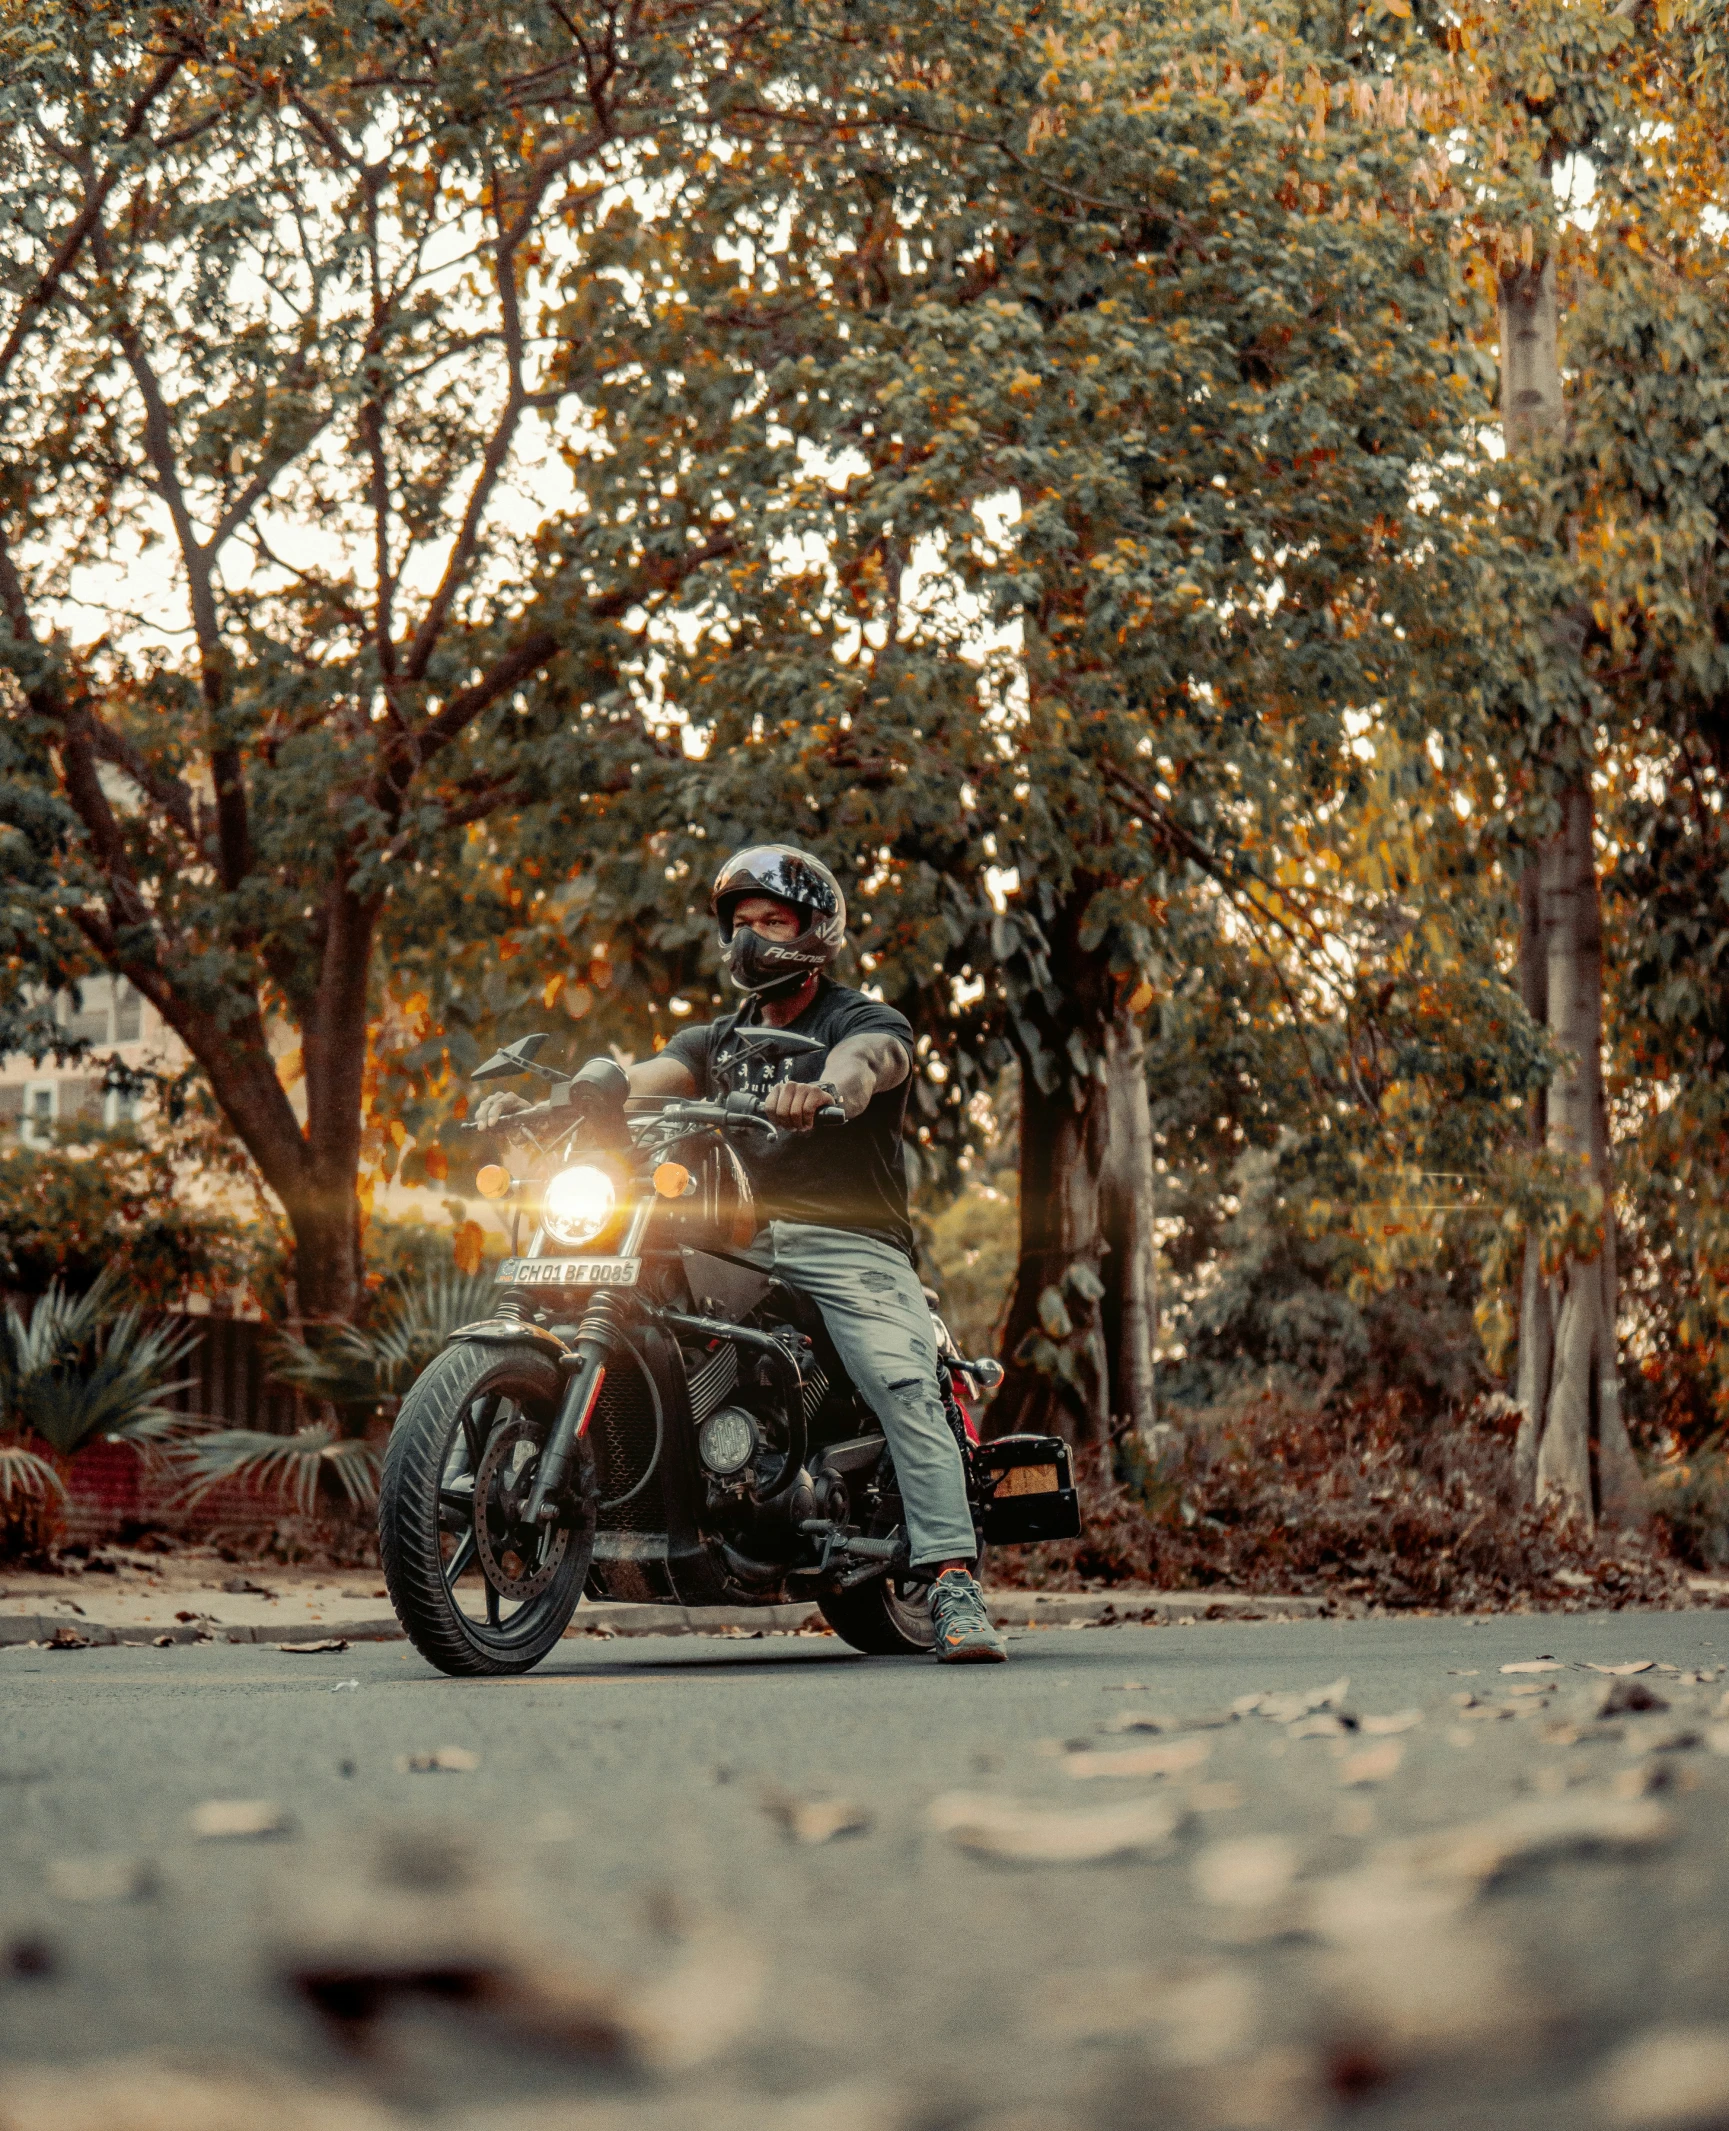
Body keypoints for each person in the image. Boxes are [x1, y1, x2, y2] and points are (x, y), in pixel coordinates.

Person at [477, 843, 1006, 1664]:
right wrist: (554, 1102)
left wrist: (826, 1091)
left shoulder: (861, 1021)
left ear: (813, 930)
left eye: (772, 920)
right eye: (741, 923)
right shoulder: (711, 1041)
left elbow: (868, 1065)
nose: (751, 938)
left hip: (844, 1240)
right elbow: (640, 1077)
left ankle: (951, 1582)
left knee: (901, 1381)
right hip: (736, 1235)